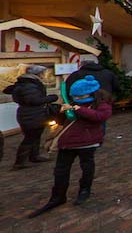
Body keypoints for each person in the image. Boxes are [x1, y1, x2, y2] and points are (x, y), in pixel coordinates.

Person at [28, 75, 112, 218]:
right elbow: (64, 122)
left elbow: (99, 117)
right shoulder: (73, 102)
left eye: (80, 96)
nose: (77, 98)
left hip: (87, 142)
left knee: (87, 167)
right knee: (60, 171)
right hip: (67, 143)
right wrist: (56, 113)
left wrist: (77, 108)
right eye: (75, 96)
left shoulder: (101, 104)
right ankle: (58, 196)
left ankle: (84, 190)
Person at [3, 65, 58, 170]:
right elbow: (34, 100)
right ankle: (19, 162)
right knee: (30, 138)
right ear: (37, 74)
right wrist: (51, 98)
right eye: (42, 73)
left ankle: (34, 156)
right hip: (31, 115)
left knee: (35, 136)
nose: (43, 75)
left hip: (32, 114)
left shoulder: (25, 84)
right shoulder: (29, 86)